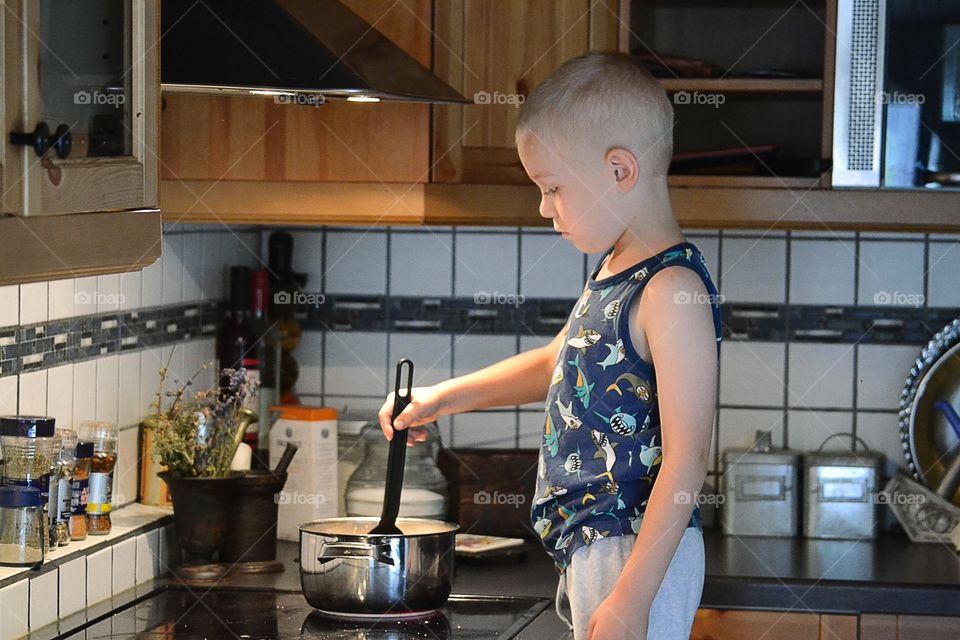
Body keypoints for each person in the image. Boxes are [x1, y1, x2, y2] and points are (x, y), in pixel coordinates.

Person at [378, 51, 721, 640]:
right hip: (594, 548)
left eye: (553, 187)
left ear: (620, 170)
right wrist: (439, 399)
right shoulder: (618, 271)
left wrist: (632, 600)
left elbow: (688, 465)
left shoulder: (671, 290)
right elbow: (555, 362)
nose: (544, 208)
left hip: (635, 555)